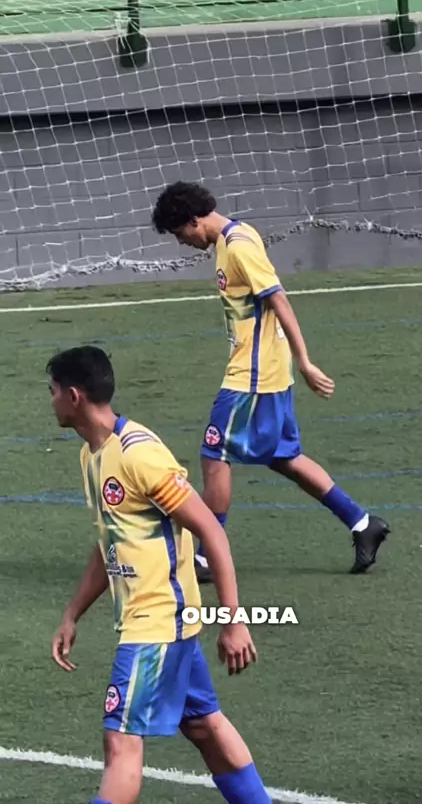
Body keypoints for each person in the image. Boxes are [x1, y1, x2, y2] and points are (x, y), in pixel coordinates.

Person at [47, 345, 272, 804]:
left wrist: (233, 621)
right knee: (203, 725)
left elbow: (212, 531)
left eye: (52, 391)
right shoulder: (92, 455)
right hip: (163, 623)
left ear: (73, 396)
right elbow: (110, 541)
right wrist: (72, 614)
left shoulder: (140, 454)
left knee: (121, 742)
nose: (49, 401)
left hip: (156, 625)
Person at [152, 181, 390, 582]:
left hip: (253, 376)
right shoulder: (232, 238)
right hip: (267, 372)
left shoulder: (239, 247)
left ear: (193, 221)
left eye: (179, 233)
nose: (182, 243)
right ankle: (362, 523)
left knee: (215, 452)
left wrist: (305, 361)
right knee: (283, 456)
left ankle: (208, 556)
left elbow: (279, 299)